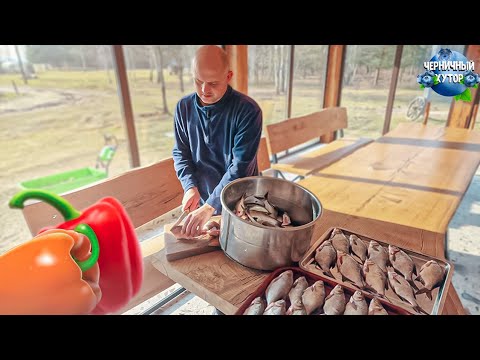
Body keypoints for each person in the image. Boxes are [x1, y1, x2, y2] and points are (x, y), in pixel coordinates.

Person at [172, 45, 263, 242]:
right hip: (205, 201)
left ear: (228, 76)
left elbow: (240, 166)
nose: (204, 90)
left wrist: (210, 205)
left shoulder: (248, 111)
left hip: (243, 201)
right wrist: (189, 186)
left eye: (213, 83)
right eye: (198, 81)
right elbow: (181, 153)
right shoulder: (183, 108)